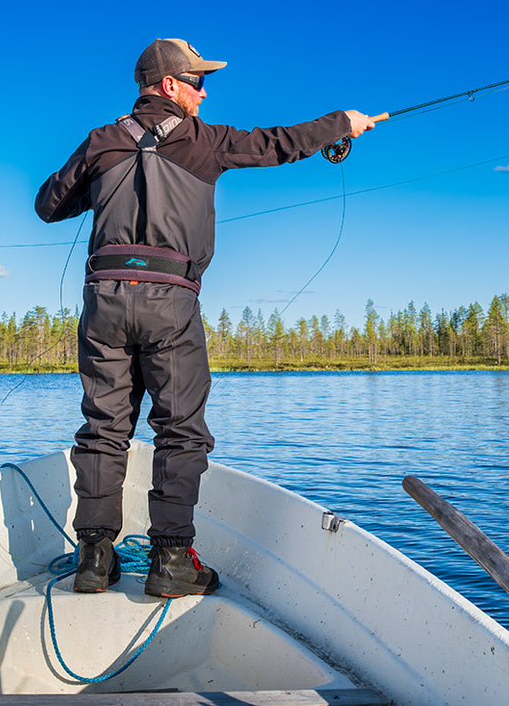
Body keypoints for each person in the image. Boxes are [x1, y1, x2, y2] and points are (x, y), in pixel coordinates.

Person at [34, 38, 376, 598]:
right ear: (169, 85)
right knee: (180, 430)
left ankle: (94, 561)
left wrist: (98, 174)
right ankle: (171, 563)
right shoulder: (206, 141)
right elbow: (280, 144)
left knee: (103, 428)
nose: (204, 90)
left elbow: (50, 205)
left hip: (105, 301)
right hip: (170, 301)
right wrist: (344, 122)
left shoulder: (101, 142)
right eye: (196, 81)